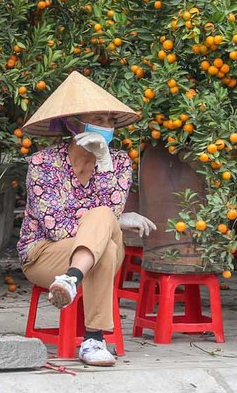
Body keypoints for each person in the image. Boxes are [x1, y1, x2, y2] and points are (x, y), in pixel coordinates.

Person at [17, 72, 156, 366]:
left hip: (78, 258)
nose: (107, 127)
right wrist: (114, 222)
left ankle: (71, 280)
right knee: (105, 246)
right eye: (99, 119)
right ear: (73, 124)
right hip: (44, 254)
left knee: (104, 221)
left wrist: (104, 163)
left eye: (110, 121)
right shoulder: (43, 163)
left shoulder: (118, 162)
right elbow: (55, 227)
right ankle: (94, 340)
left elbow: (110, 210)